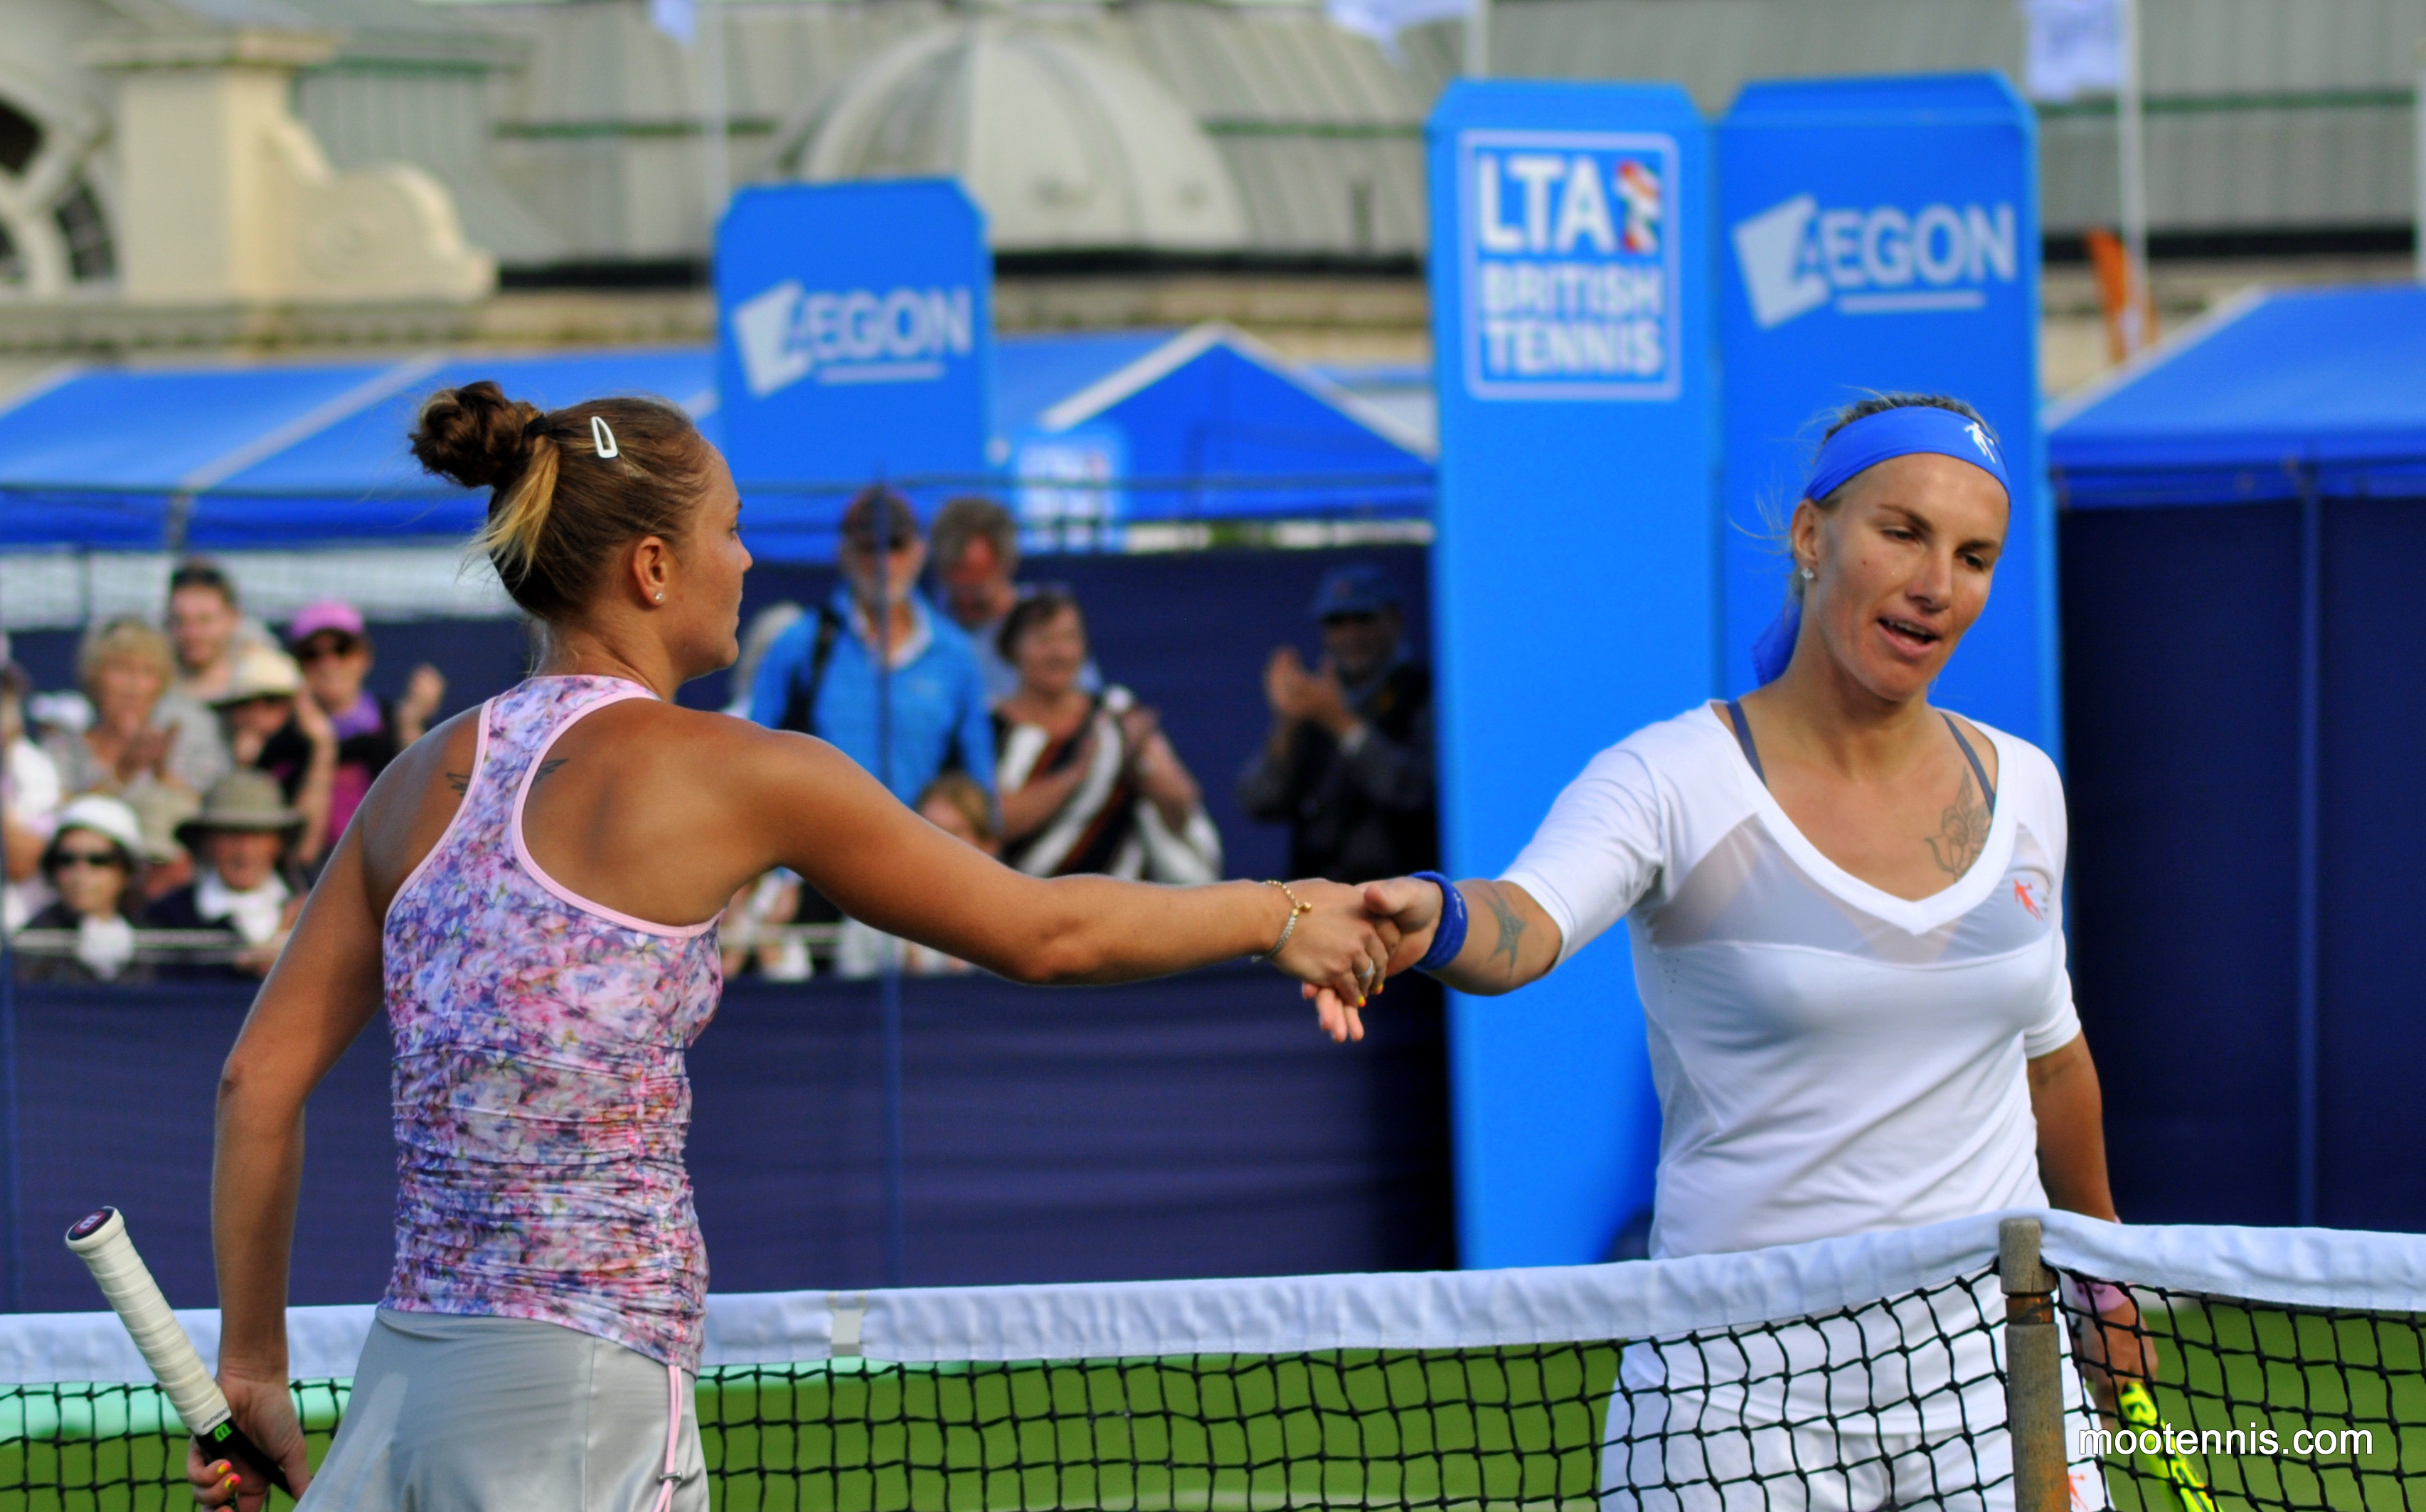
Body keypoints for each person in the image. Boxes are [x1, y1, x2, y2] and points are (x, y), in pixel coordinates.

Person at [193, 380, 1395, 1509]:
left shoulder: (411, 782)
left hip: (400, 1390)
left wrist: (250, 1371)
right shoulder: (744, 772)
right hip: (585, 1397)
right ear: (652, 567)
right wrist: (1280, 912)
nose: (748, 557)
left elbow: (257, 1082)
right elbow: (1046, 932)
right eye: (729, 527)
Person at [1339, 396, 2142, 1511]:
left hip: (1984, 1382)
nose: (1935, 584)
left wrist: (2101, 1271)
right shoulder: (1668, 778)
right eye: (1900, 533)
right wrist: (1435, 916)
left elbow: (2048, 1059)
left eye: (1972, 556)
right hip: (1734, 1397)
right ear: (1811, 536)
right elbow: (1523, 922)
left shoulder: (2024, 787)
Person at [746, 488, 994, 806]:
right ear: (844, 553)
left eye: (895, 546)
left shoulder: (955, 653)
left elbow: (979, 783)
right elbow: (756, 756)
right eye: (869, 548)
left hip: (919, 837)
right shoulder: (800, 643)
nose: (883, 563)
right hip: (823, 835)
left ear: (919, 552)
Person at [993, 589, 1220, 884]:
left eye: (1069, 638)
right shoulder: (989, 726)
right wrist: (1077, 774)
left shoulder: (1116, 712)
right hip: (1025, 898)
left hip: (1122, 897)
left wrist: (1140, 763)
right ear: (1012, 648)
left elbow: (1181, 805)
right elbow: (990, 824)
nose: (1059, 653)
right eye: (1044, 640)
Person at [1236, 563, 1436, 883]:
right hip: (1318, 896)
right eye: (1336, 622)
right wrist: (1288, 725)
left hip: (1402, 892)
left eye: (1363, 619)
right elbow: (1259, 802)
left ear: (1394, 620)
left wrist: (1344, 726)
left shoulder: (1425, 693)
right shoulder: (1315, 700)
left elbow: (1416, 791)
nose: (1350, 635)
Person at [287, 600, 446, 849]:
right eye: (312, 654)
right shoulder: (286, 738)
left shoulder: (397, 722)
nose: (328, 663)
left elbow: (432, 819)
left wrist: (411, 728)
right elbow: (301, 850)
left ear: (365, 656)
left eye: (342, 649)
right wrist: (322, 748)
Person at [831, 772, 1000, 978]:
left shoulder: (1005, 920)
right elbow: (849, 982)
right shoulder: (871, 910)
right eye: (928, 832)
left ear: (988, 846)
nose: (938, 846)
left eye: (953, 834)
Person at [930, 495, 1095, 702]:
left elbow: (1084, 704)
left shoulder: (1048, 621)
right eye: (956, 588)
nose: (966, 600)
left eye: (978, 589)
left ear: (1007, 565)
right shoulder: (921, 629)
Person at [43, 617, 228, 803]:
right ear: (95, 676)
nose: (134, 686)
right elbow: (57, 814)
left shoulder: (184, 747)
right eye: (122, 670)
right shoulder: (64, 750)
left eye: (148, 672)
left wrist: (162, 774)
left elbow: (208, 809)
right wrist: (123, 773)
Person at [147, 771, 306, 981]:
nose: (245, 851)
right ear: (207, 842)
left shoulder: (315, 907)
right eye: (232, 834)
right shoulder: (168, 917)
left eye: (258, 835)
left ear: (279, 842)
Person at [212, 646, 339, 870]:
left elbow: (304, 849)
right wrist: (243, 769)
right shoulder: (215, 750)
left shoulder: (312, 756)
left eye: (272, 701)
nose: (256, 712)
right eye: (244, 703)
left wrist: (323, 747)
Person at [16, 794, 151, 984]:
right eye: (66, 860)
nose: (80, 874)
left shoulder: (156, 936)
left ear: (127, 870)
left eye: (98, 860)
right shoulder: (34, 942)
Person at [166, 559, 268, 706]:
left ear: (233, 618)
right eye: (180, 621)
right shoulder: (154, 688)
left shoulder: (264, 687)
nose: (192, 633)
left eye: (204, 620)